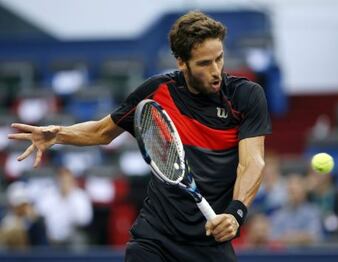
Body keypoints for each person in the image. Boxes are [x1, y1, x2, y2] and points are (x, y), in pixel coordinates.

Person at [8, 11, 271, 261]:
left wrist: (236, 213)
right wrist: (58, 135)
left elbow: (252, 162)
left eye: (219, 58)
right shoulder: (157, 92)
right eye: (204, 63)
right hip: (156, 238)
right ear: (181, 62)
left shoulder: (245, 96)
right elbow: (102, 132)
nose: (216, 71)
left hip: (210, 242)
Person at [35, 167, 93, 246]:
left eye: (67, 181)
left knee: (80, 238)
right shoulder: (47, 194)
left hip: (71, 237)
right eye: (62, 180)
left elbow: (84, 220)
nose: (64, 183)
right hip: (50, 236)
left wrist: (69, 198)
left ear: (72, 181)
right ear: (57, 180)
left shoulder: (80, 196)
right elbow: (39, 215)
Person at [269, 174, 322, 246]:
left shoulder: (313, 212)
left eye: (296, 190)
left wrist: (288, 237)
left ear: (303, 192)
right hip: (284, 254)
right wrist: (300, 237)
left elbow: (313, 236)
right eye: (291, 191)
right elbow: (273, 238)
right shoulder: (279, 214)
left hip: (308, 254)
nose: (293, 194)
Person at [0, 181, 48, 249]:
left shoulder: (35, 223)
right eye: (20, 205)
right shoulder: (5, 222)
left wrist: (36, 222)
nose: (23, 208)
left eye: (25, 204)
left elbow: (42, 248)